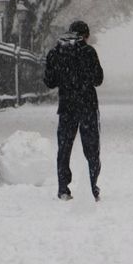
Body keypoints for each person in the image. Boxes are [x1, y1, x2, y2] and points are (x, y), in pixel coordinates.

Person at [44, 19, 104, 201]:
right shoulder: (88, 51)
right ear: (85, 36)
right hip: (87, 105)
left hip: (67, 105)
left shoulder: (56, 52)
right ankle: (92, 187)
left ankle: (63, 188)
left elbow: (49, 81)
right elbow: (98, 79)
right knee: (91, 148)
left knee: (64, 147)